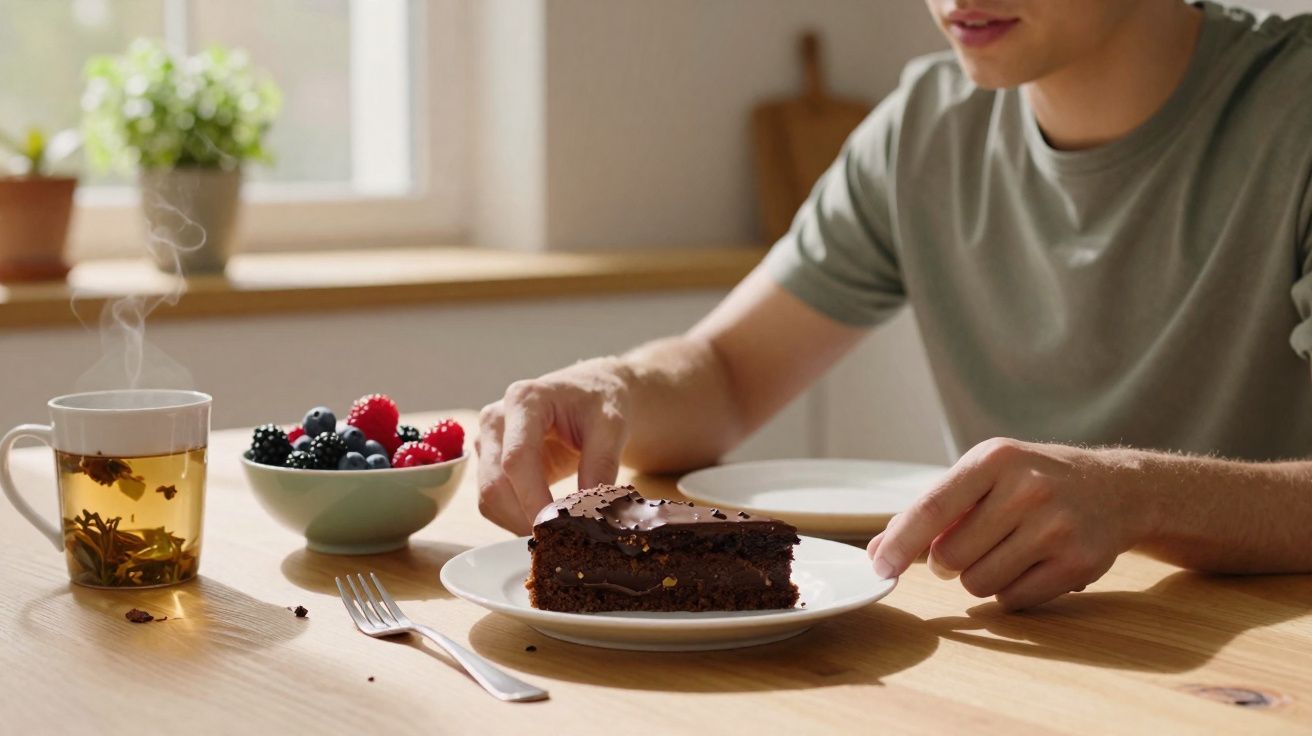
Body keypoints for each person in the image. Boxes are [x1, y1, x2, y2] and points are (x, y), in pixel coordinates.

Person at [476, 0, 1312, 611]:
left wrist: (1138, 494)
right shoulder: (924, 126)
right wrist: (608, 386)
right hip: (1020, 653)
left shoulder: (1295, 107)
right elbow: (728, 374)